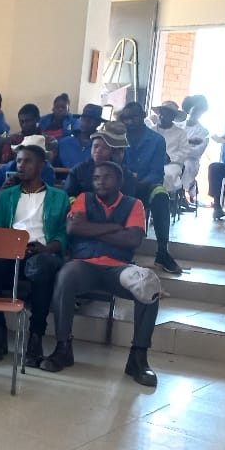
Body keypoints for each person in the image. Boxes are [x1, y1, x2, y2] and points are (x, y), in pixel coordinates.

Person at [43, 161, 162, 386]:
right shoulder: (83, 199)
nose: (100, 181)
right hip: (84, 265)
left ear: (120, 181)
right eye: (96, 177)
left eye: (106, 177)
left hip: (119, 268)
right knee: (66, 275)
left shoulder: (134, 204)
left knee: (149, 286)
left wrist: (91, 229)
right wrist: (115, 227)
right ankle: (63, 347)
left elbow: (133, 239)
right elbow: (73, 228)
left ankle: (138, 358)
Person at [0, 135, 69, 368]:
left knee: (43, 266)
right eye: (18, 161)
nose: (21, 165)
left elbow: (63, 233)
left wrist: (47, 248)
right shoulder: (7, 195)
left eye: (27, 161)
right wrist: (9, 246)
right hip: (11, 250)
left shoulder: (58, 197)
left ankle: (35, 337)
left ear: (41, 165)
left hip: (41, 251)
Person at [118, 101, 182, 275]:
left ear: (144, 116)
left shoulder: (157, 140)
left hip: (147, 186)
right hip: (121, 187)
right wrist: (129, 179)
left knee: (161, 196)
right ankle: (121, 251)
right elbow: (116, 166)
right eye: (126, 118)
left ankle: (162, 252)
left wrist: (140, 182)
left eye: (134, 117)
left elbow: (156, 173)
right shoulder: (118, 137)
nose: (130, 121)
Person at [148, 100, 192, 197]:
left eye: (167, 114)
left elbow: (185, 152)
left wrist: (170, 158)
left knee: (166, 175)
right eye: (162, 114)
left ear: (173, 117)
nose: (163, 117)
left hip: (172, 164)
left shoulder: (180, 133)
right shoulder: (152, 130)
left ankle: (164, 198)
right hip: (151, 163)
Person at [179, 95, 210, 205]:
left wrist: (180, 147)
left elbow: (197, 151)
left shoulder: (203, 131)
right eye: (194, 108)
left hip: (190, 161)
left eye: (199, 109)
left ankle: (181, 195)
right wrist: (188, 143)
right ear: (188, 108)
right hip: (173, 157)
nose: (196, 112)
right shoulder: (177, 126)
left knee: (185, 165)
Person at [58, 104, 104, 169]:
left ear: (98, 123)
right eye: (84, 117)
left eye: (91, 119)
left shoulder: (101, 147)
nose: (86, 121)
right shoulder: (63, 143)